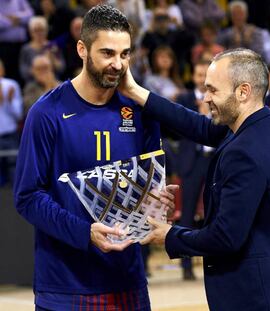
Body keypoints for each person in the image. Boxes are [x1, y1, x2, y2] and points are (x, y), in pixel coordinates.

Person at [118, 48, 270, 310]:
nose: (206, 98)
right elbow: (197, 125)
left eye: (212, 90)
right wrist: (134, 91)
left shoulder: (244, 151)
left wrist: (170, 235)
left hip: (258, 298)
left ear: (243, 92)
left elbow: (226, 237)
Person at [14, 5, 175, 311]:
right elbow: (27, 196)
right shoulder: (46, 113)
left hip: (128, 280)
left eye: (125, 54)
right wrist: (83, 233)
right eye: (107, 53)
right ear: (82, 49)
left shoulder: (140, 110)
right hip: (66, 286)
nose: (118, 64)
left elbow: (149, 184)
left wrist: (158, 201)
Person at [175, 60, 213, 281]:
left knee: (213, 212)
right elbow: (177, 128)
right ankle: (186, 266)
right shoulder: (184, 99)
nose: (201, 79)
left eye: (204, 75)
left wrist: (209, 113)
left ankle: (213, 262)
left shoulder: (219, 96)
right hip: (192, 161)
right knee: (187, 214)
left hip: (214, 160)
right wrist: (200, 115)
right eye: (198, 74)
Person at [0, 59, 23, 187]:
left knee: (14, 174)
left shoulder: (11, 85)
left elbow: (18, 114)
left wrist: (8, 101)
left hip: (10, 134)